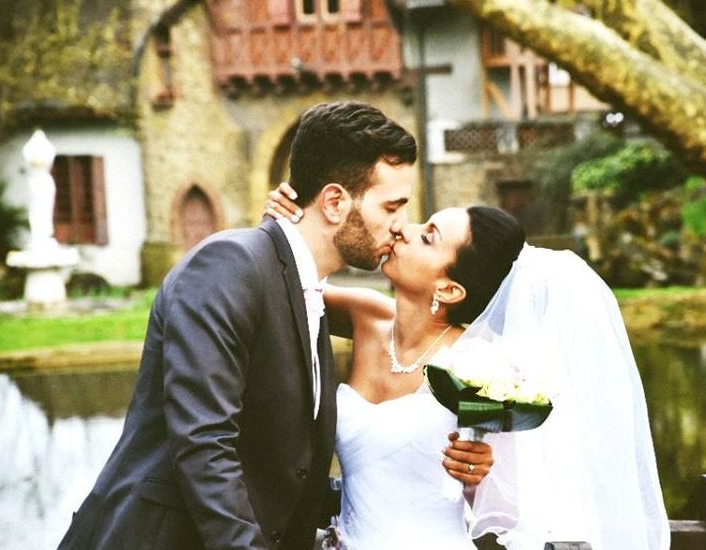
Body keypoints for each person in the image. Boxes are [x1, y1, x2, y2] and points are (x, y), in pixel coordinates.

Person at [57, 101, 493, 550]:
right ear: (335, 202)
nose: (400, 227)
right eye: (392, 207)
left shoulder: (309, 295)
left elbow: (285, 468)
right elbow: (205, 445)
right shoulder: (227, 266)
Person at [267, 185, 671, 549]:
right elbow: (285, 282)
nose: (403, 230)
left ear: (448, 288)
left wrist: (484, 472)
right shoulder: (366, 317)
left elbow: (518, 506)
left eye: (427, 237)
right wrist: (287, 221)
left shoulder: (484, 366)